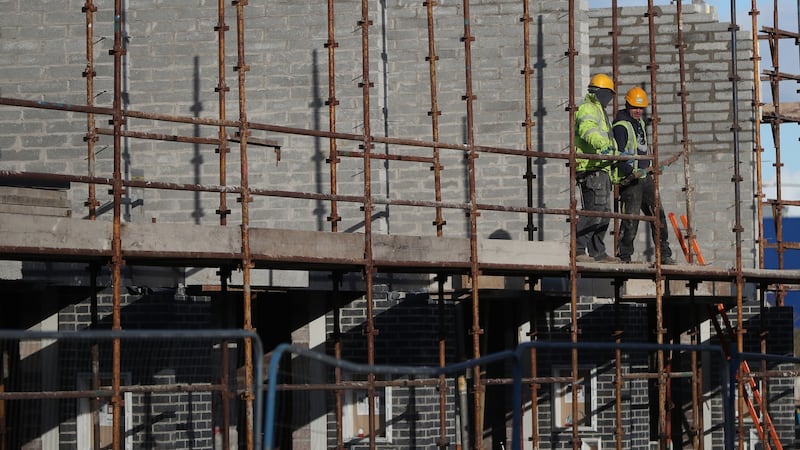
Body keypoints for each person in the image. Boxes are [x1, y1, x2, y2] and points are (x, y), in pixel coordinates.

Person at [612, 86, 675, 264]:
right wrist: (632, 172)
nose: (638, 111)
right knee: (631, 220)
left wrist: (651, 167)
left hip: (645, 177)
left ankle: (664, 254)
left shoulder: (639, 123)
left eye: (641, 108)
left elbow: (642, 149)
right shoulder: (621, 127)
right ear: (627, 105)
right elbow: (617, 156)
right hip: (630, 180)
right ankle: (624, 256)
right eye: (634, 107)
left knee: (658, 215)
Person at [574, 74, 619, 263]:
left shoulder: (600, 110)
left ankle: (597, 251)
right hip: (591, 167)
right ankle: (577, 249)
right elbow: (587, 129)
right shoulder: (588, 108)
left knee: (604, 212)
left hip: (602, 167)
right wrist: (603, 145)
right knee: (594, 210)